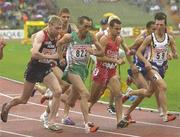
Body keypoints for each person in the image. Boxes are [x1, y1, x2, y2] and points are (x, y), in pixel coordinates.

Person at [1, 15, 63, 132]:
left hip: (45, 68)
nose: (59, 31)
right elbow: (34, 54)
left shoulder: (57, 37)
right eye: (57, 28)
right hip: (34, 68)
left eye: (60, 28)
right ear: (50, 26)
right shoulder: (41, 35)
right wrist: (48, 57)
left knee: (58, 91)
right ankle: (8, 105)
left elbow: (58, 54)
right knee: (24, 99)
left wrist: (55, 58)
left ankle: (51, 121)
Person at [126, 12, 178, 123]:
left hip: (162, 69)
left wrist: (171, 55)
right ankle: (165, 114)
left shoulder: (170, 39)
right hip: (151, 68)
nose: (159, 27)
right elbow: (139, 53)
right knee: (163, 87)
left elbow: (175, 53)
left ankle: (130, 92)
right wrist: (146, 62)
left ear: (165, 25)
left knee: (149, 93)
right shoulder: (150, 38)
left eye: (161, 25)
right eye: (157, 25)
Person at [56, 16, 104, 133]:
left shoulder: (91, 37)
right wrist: (60, 57)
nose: (87, 29)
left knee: (71, 102)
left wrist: (94, 52)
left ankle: (51, 95)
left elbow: (101, 51)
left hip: (83, 71)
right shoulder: (70, 36)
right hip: (72, 69)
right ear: (78, 26)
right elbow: (58, 43)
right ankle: (87, 124)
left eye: (89, 26)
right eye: (85, 26)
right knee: (85, 93)